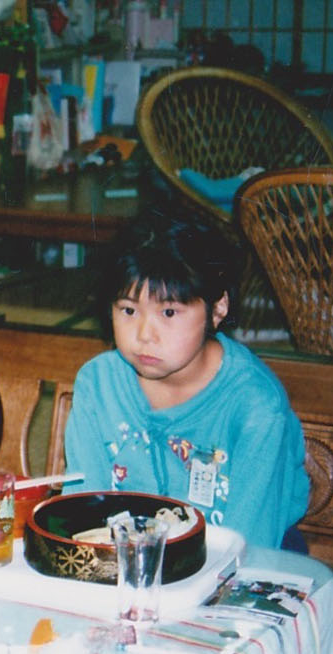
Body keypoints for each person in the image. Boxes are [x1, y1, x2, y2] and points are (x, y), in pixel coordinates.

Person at [63, 211, 309, 550]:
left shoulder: (255, 406)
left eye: (168, 312)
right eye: (128, 310)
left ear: (218, 308)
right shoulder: (98, 384)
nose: (144, 335)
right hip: (125, 565)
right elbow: (83, 513)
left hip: (237, 561)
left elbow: (249, 544)